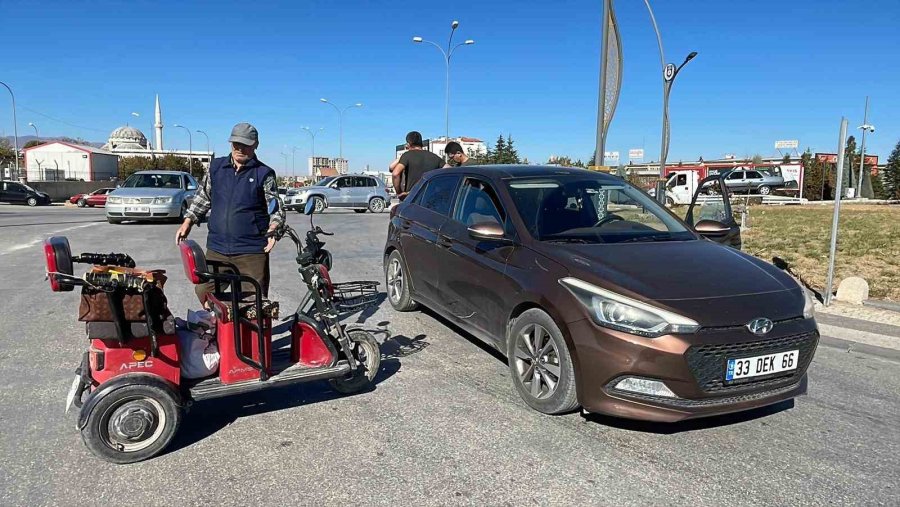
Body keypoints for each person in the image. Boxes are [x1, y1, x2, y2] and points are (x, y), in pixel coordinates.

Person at [175, 122, 285, 304]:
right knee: (204, 290)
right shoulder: (217, 168)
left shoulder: (263, 173)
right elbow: (203, 197)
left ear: (255, 145)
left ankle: (249, 332)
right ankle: (219, 326)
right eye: (236, 144)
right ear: (230, 143)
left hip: (251, 251)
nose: (240, 149)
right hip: (217, 248)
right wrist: (188, 222)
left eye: (245, 145)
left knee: (252, 303)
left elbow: (275, 204)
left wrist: (274, 227)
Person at [391, 131, 444, 200]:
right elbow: (450, 170)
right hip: (431, 198)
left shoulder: (407, 155)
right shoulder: (435, 157)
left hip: (412, 198)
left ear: (408, 144)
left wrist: (399, 193)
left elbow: (395, 173)